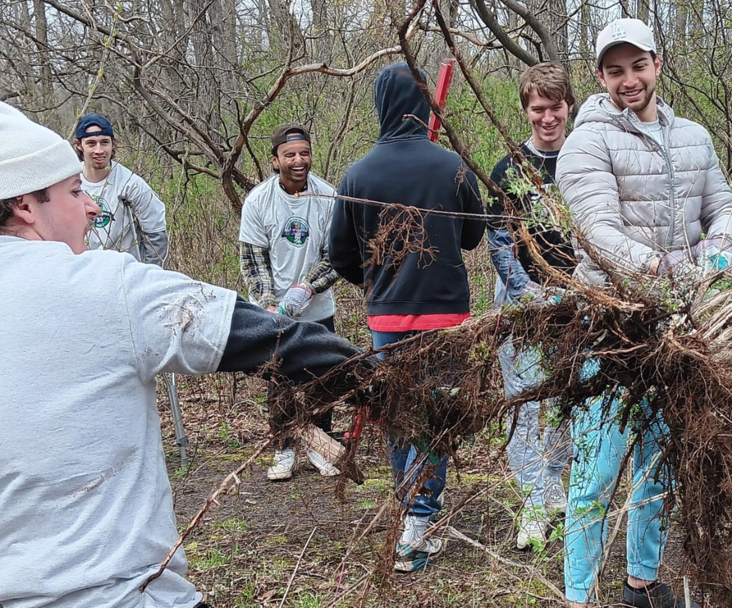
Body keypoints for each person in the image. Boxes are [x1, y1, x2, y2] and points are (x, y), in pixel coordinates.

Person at [0, 101, 364, 608]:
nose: (90, 206)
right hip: (122, 594)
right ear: (24, 205)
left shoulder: (325, 197)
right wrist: (384, 378)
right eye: (75, 190)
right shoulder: (106, 284)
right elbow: (274, 341)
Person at [555, 18, 732, 608]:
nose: (629, 80)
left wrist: (717, 253)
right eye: (616, 70)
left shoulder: (693, 136)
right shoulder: (586, 143)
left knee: (659, 462)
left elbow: (725, 209)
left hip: (678, 330)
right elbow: (599, 235)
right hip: (609, 330)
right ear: (600, 77)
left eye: (638, 65)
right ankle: (579, 595)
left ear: (657, 64)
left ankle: (641, 581)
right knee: (595, 474)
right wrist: (669, 270)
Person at [328, 61, 486, 573]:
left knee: (399, 414)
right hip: (446, 317)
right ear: (426, 105)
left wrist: (378, 286)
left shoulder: (357, 173)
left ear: (381, 105)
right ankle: (420, 517)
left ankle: (410, 510)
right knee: (434, 415)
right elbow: (472, 235)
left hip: (388, 320)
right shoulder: (452, 166)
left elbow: (342, 254)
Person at [487, 62, 576, 550]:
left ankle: (556, 485)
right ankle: (533, 503)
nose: (547, 118)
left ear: (568, 107)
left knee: (569, 397)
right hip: (522, 306)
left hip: (580, 301)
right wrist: (529, 295)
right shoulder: (509, 169)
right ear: (526, 110)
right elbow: (498, 240)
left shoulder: (586, 158)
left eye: (555, 107)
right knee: (523, 405)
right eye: (538, 109)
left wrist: (580, 290)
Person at [239, 123, 342, 480]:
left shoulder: (328, 197)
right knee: (279, 380)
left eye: (304, 153)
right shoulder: (258, 201)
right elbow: (253, 260)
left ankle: (321, 445)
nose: (299, 161)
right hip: (272, 310)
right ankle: (283, 449)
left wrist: (307, 289)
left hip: (316, 308)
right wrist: (270, 305)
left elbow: (336, 256)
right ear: (275, 161)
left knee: (322, 376)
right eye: (290, 155)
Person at [75, 113, 169, 266]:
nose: (99, 150)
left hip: (124, 273)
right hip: (83, 272)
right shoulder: (70, 183)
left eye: (104, 142)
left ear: (113, 145)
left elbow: (156, 236)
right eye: (91, 143)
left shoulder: (132, 184)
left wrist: (149, 276)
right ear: (79, 145)